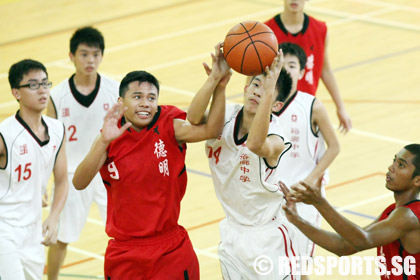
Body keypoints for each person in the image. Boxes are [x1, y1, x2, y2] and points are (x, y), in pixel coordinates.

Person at [72, 43, 230, 279]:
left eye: (151, 97)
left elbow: (211, 129)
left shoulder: (169, 125)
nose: (145, 103)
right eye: (137, 97)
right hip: (125, 252)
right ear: (121, 101)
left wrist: (218, 84)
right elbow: (79, 182)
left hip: (170, 249)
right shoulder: (109, 137)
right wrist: (102, 142)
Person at [189, 49, 302, 279]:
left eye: (267, 89)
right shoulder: (226, 115)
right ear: (245, 88)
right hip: (232, 232)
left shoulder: (277, 137)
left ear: (276, 105)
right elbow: (192, 118)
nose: (258, 92)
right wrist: (215, 79)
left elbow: (254, 144)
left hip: (267, 238)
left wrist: (268, 91)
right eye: (256, 85)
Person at [280, 144, 420, 279]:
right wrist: (296, 220)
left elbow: (363, 240)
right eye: (394, 161)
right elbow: (344, 246)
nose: (391, 167)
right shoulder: (393, 211)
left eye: (401, 165)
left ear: (417, 180)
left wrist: (320, 202)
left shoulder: (408, 216)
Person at [46, 26, 119, 279]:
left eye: (96, 54)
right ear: (71, 56)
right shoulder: (56, 96)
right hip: (71, 174)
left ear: (102, 55)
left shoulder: (115, 89)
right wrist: (48, 181)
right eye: (84, 54)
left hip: (109, 173)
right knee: (60, 238)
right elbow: (51, 144)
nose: (90, 60)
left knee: (123, 234)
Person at [0, 59, 68, 280]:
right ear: (16, 93)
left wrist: (54, 217)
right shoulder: (5, 135)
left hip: (34, 233)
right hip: (4, 230)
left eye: (45, 83)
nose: (42, 90)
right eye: (33, 85)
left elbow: (62, 181)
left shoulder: (58, 129)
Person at [273, 42, 340, 260]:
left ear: (302, 71)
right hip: (270, 197)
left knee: (299, 265)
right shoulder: (264, 105)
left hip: (302, 198)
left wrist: (310, 180)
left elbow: (334, 147)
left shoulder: (312, 106)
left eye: (291, 65)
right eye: (281, 64)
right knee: (270, 264)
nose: (286, 69)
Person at [264, 0, 352, 133]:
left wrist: (340, 108)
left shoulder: (320, 30)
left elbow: (325, 70)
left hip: (305, 109)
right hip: (274, 110)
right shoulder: (266, 32)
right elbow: (256, 75)